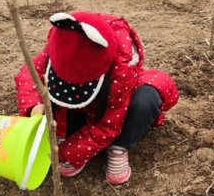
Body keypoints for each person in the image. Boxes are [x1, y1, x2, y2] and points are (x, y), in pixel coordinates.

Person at [15, 12, 179, 185]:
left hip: (116, 104)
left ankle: (119, 147)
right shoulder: (63, 41)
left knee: (146, 99)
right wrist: (35, 104)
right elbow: (30, 72)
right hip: (86, 107)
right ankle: (75, 135)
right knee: (56, 98)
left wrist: (65, 153)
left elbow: (108, 125)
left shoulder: (119, 70)